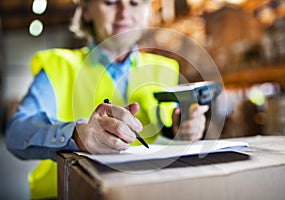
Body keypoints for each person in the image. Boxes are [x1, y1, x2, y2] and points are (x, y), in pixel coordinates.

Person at [5, 0, 209, 198]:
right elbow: (17, 132)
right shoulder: (58, 66)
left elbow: (165, 132)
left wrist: (180, 129)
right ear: (85, 10)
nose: (124, 12)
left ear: (147, 9)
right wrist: (77, 136)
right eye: (110, 2)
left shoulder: (165, 68)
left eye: (135, 3)